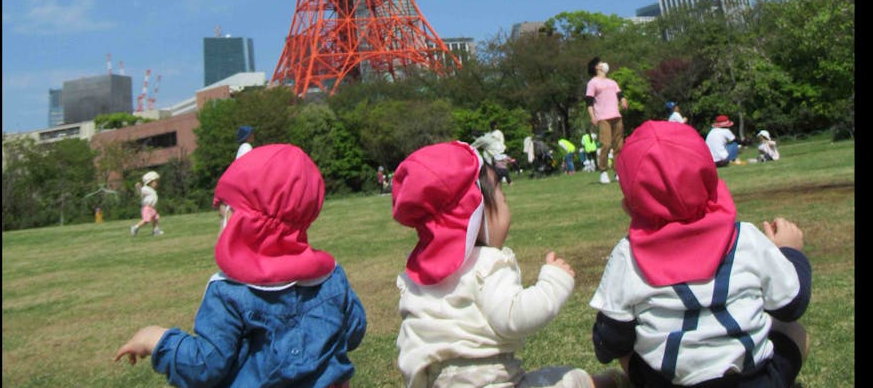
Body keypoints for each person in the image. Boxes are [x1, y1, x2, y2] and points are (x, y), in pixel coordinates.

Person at [114, 144, 368, 387]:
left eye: (221, 216)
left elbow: (205, 365)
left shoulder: (229, 292)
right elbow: (354, 331)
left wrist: (157, 340)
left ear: (236, 218)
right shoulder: (331, 275)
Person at [390, 141, 629, 388]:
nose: (506, 205)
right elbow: (514, 317)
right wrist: (554, 282)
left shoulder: (416, 275)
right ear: (476, 213)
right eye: (501, 196)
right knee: (568, 380)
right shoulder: (486, 265)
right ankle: (609, 383)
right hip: (493, 383)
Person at [589, 121, 811, 387]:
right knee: (795, 332)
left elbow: (611, 341)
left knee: (628, 344)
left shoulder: (628, 256)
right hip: (755, 380)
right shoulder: (746, 238)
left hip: (668, 381)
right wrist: (788, 252)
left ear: (628, 206)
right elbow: (792, 305)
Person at [585, 57, 628, 185]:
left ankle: (617, 171)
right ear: (596, 67)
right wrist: (592, 116)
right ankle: (603, 171)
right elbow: (589, 102)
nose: (604, 64)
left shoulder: (612, 82)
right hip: (603, 118)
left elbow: (619, 94)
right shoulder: (592, 83)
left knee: (619, 146)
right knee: (606, 144)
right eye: (601, 63)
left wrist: (623, 100)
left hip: (616, 116)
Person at [130, 171, 165, 237]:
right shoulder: (145, 189)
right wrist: (138, 187)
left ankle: (156, 230)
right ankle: (135, 227)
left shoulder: (152, 190)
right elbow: (140, 192)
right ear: (149, 182)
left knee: (156, 218)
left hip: (152, 208)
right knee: (146, 220)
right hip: (147, 208)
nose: (156, 183)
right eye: (155, 181)